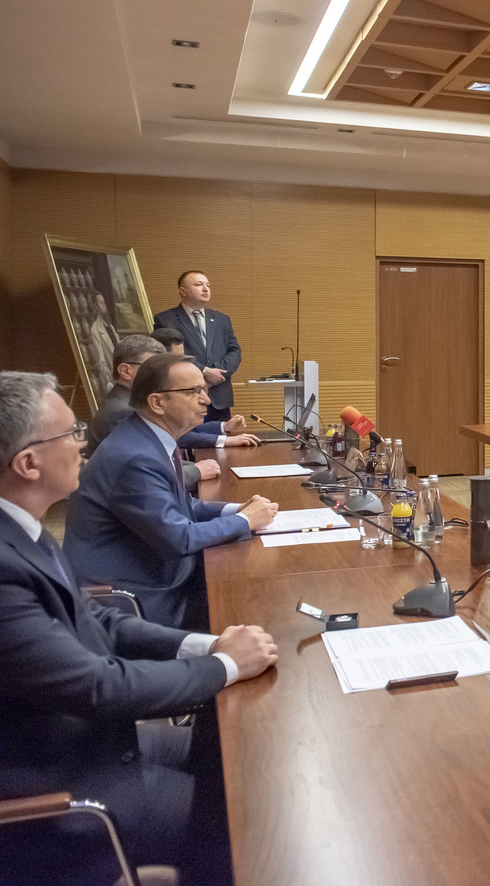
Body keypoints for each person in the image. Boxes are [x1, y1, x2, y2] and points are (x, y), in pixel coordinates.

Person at [0, 371, 278, 884]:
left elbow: (97, 619)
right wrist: (225, 665)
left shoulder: (22, 530)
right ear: (28, 463)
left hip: (93, 742)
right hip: (63, 791)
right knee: (255, 816)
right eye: (71, 433)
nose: (84, 444)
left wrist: (207, 645)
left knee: (236, 749)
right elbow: (99, 686)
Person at [64, 355, 278, 628]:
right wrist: (245, 520)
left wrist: (236, 509)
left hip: (156, 569)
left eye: (204, 390)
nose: (206, 400)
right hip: (135, 595)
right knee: (255, 604)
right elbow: (178, 538)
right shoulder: (136, 457)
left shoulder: (148, 438)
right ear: (157, 402)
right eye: (194, 391)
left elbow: (181, 505)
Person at [86, 335, 259, 485]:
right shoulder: (123, 410)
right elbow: (144, 475)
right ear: (125, 371)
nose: (164, 374)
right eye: (152, 368)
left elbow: (159, 460)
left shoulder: (130, 402)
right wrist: (197, 470)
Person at [152, 271, 242, 423]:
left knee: (222, 435)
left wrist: (216, 374)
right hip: (187, 394)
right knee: (191, 435)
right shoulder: (165, 320)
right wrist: (204, 371)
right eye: (199, 285)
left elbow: (234, 351)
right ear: (182, 291)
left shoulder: (221, 319)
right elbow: (168, 355)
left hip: (220, 396)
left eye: (208, 285)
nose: (206, 289)